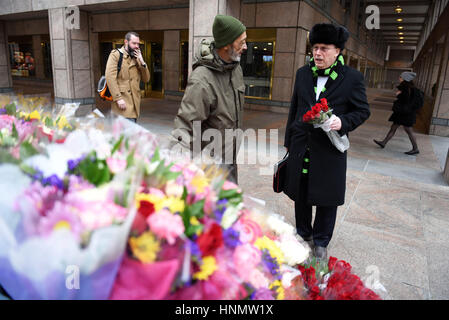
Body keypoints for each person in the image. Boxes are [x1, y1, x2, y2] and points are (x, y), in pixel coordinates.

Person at [283, 23, 370, 261]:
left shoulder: (352, 78)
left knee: (326, 196)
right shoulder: (303, 73)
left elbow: (362, 111)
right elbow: (295, 108)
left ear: (338, 51)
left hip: (330, 148)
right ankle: (303, 232)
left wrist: (343, 122)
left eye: (324, 48)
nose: (317, 53)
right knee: (300, 191)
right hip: (302, 142)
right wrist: (289, 140)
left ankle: (321, 240)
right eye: (315, 47)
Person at [170, 15, 247, 183]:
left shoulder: (236, 69)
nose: (245, 47)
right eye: (241, 42)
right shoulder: (202, 80)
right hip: (208, 167)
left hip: (230, 159)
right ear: (227, 45)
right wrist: (175, 172)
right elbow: (184, 126)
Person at [105, 31, 150, 123]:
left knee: (128, 134)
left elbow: (146, 79)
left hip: (134, 102)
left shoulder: (137, 57)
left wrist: (142, 62)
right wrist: (118, 98)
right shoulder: (116, 55)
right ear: (126, 42)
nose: (137, 46)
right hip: (123, 101)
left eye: (138, 43)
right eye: (134, 43)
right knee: (126, 133)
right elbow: (110, 78)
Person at [373, 72, 420, 155]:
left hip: (405, 113)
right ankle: (384, 142)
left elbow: (405, 100)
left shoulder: (406, 88)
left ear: (405, 78)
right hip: (403, 113)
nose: (399, 78)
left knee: (408, 130)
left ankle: (415, 148)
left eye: (401, 77)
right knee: (393, 127)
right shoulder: (410, 87)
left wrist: (399, 94)